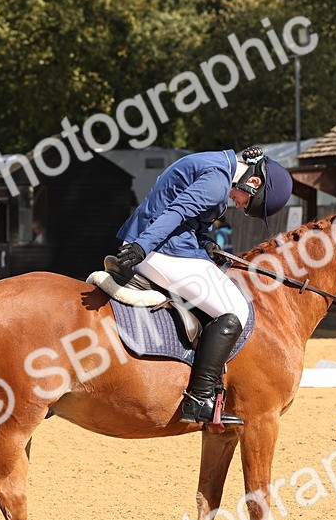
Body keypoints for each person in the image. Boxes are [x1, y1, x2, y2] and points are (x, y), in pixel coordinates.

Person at [111, 146, 294, 427]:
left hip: (166, 245)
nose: (240, 205)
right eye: (248, 203)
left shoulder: (217, 167)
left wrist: (205, 243)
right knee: (235, 309)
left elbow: (189, 220)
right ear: (253, 182)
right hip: (159, 249)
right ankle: (199, 398)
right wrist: (141, 247)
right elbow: (176, 212)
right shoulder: (217, 182)